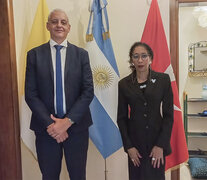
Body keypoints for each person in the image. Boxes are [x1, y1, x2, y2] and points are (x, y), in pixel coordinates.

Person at [25, 9, 94, 180]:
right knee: (49, 176)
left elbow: (88, 91)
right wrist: (53, 125)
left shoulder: (81, 55)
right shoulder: (34, 55)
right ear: (48, 26)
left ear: (69, 27)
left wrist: (67, 122)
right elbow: (31, 94)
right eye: (54, 21)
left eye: (63, 22)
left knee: (78, 176)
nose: (59, 25)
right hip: (46, 129)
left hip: (76, 128)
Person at [117, 42, 174, 180]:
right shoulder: (124, 84)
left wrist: (160, 145)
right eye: (136, 56)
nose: (140, 60)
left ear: (150, 58)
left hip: (157, 143)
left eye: (144, 56)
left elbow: (168, 116)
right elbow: (122, 118)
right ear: (131, 60)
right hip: (135, 146)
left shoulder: (163, 80)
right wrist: (129, 147)